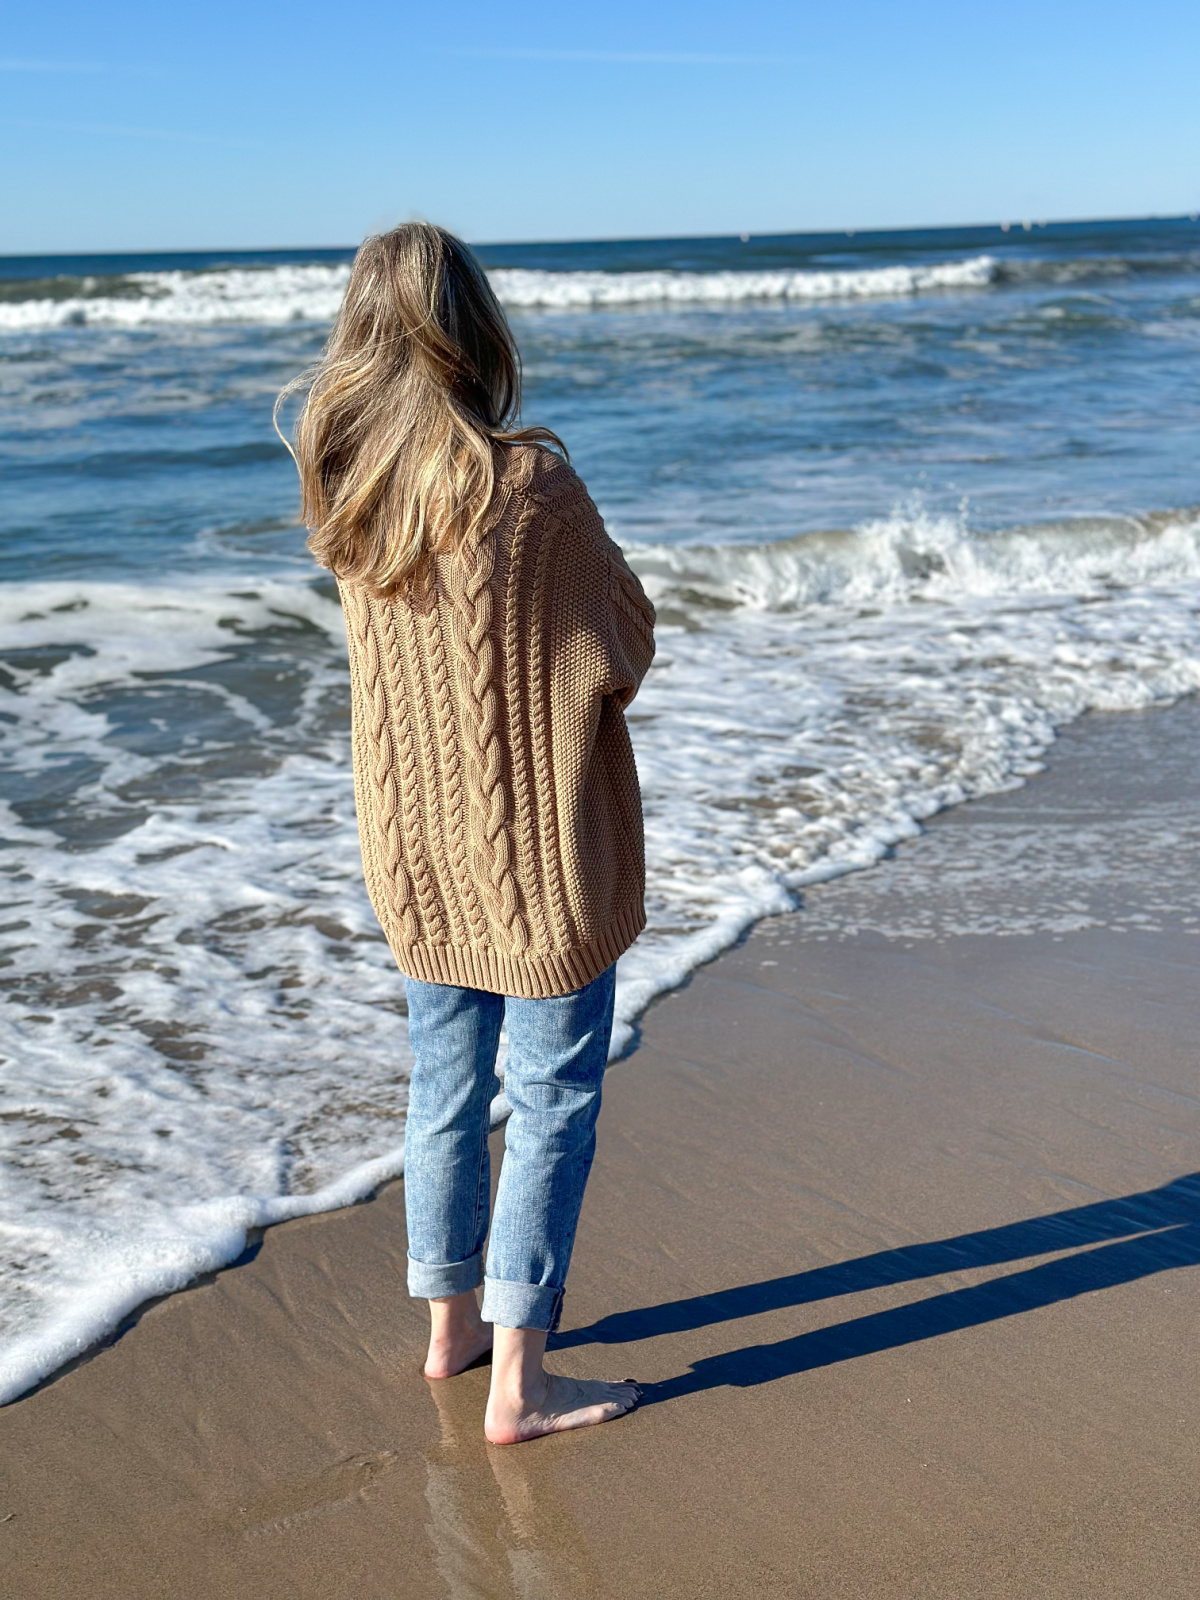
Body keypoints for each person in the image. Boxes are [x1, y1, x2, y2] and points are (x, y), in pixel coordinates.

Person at [278, 222, 655, 1444]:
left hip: (415, 852)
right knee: (549, 1098)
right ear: (472, 326)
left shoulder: (350, 493)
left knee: (443, 1092)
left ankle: (450, 1332)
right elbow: (619, 644)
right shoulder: (531, 484)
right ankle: (522, 1386)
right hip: (534, 861)